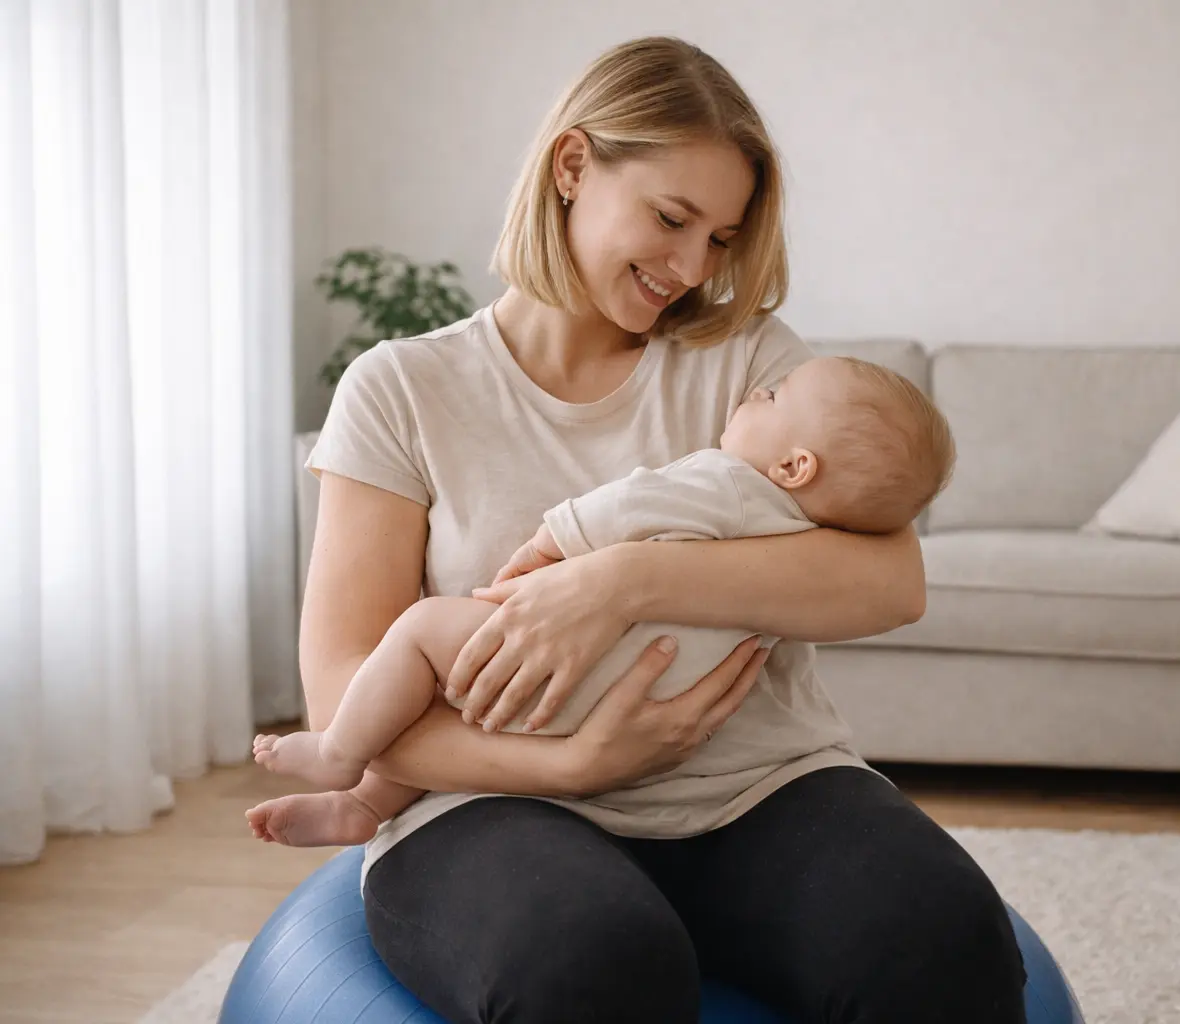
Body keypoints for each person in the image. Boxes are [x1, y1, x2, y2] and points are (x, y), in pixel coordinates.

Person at [254, 35, 1026, 1024]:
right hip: (492, 803)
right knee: (592, 968)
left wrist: (619, 583)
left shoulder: (749, 363)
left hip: (758, 785)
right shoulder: (402, 388)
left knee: (942, 939)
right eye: (671, 218)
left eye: (721, 238)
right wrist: (575, 765)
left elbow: (890, 584)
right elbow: (341, 688)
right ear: (573, 167)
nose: (692, 266)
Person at [245, 354, 957, 843]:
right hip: (657, 698)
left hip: (585, 674)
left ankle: (344, 762)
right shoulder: (808, 528)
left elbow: (629, 504)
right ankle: (367, 805)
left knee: (424, 635)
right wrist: (574, 763)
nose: (756, 394)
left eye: (771, 398)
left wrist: (551, 549)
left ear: (795, 464)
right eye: (670, 218)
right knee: (458, 696)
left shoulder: (729, 481)